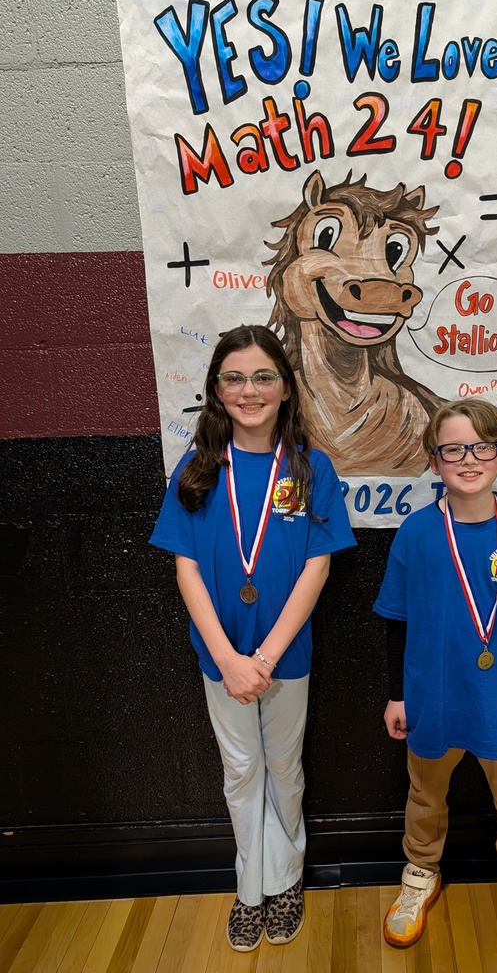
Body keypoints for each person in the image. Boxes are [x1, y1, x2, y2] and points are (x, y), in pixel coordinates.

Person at [150, 324, 356, 952]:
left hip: (284, 656)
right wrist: (228, 659)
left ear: (286, 388)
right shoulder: (197, 469)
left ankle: (285, 880)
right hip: (221, 658)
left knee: (284, 767)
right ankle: (250, 889)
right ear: (216, 390)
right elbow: (186, 567)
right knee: (240, 771)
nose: (249, 390)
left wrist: (263, 657)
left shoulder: (311, 468)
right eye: (234, 378)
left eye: (264, 376)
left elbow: (318, 566)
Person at [374, 399, 497, 959]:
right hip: (431, 702)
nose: (468, 459)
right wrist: (397, 696)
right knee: (424, 796)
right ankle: (421, 872)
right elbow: (396, 623)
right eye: (453, 449)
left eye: (482, 447)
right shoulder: (415, 534)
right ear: (434, 461)